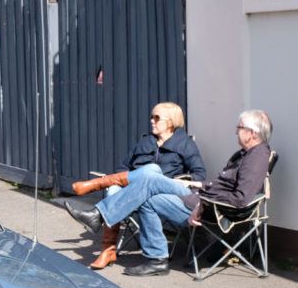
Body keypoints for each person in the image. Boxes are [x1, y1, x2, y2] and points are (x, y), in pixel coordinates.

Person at [66, 109, 272, 277]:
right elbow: (222, 184)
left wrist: (203, 204)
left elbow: (241, 198)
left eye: (239, 128)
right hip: (200, 195)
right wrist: (199, 185)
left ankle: (98, 214)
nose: (236, 131)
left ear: (252, 132)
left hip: (209, 208)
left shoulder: (257, 157)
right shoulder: (245, 154)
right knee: (148, 195)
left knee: (150, 177)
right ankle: (156, 259)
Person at [71, 102, 206, 270]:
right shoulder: (145, 142)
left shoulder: (185, 143)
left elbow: (200, 175)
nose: (152, 121)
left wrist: (185, 181)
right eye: (151, 117)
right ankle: (108, 249)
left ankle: (96, 197)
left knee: (152, 170)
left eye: (156, 118)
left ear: (170, 122)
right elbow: (123, 168)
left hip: (168, 192)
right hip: (137, 191)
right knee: (113, 188)